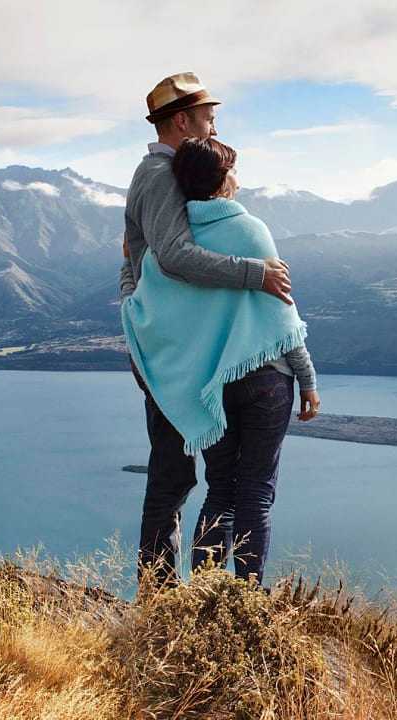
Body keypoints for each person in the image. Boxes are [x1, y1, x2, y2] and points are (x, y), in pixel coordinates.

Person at [118, 71, 293, 586]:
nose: (215, 127)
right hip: (168, 347)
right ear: (182, 121)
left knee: (181, 473)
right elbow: (171, 256)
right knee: (173, 474)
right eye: (208, 118)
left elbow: (136, 252)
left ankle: (173, 595)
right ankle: (160, 597)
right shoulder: (159, 174)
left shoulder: (167, 172)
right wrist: (254, 274)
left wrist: (131, 293)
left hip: (173, 342)